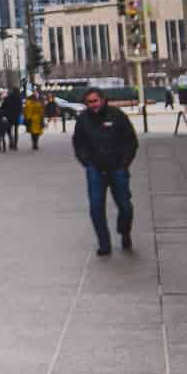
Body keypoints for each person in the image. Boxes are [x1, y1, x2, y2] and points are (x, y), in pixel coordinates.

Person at [73, 85, 140, 255]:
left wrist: (124, 161)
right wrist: (87, 161)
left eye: (95, 101)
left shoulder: (117, 115)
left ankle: (124, 231)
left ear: (102, 100)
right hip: (95, 169)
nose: (93, 105)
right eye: (89, 102)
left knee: (125, 206)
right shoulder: (83, 120)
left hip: (117, 168)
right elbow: (78, 143)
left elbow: (131, 140)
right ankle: (104, 243)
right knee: (96, 207)